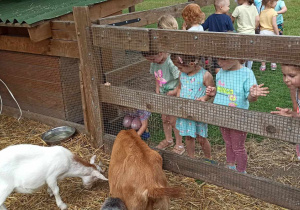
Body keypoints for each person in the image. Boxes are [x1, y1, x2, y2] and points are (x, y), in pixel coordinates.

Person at [206, 59, 269, 173]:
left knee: (238, 147)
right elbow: (222, 90)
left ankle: (241, 172)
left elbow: (250, 98)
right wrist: (214, 92)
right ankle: (230, 165)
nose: (219, 62)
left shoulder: (247, 73)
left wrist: (253, 95)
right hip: (222, 116)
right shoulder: (220, 72)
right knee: (228, 143)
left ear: (236, 57)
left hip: (238, 118)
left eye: (223, 59)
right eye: (217, 59)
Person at [170, 53, 215, 159]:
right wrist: (178, 98)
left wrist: (205, 98)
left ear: (191, 64)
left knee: (201, 138)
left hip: (198, 112)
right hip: (185, 112)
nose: (179, 70)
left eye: (180, 67)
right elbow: (180, 88)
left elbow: (212, 91)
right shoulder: (182, 75)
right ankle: (191, 158)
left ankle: (208, 158)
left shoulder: (205, 75)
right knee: (188, 137)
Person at [271, 64, 300, 161]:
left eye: (291, 76)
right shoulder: (294, 90)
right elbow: (297, 112)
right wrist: (291, 114)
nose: (286, 79)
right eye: (284, 75)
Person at [201, 0, 234, 74]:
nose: (229, 8)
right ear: (221, 7)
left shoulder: (210, 17)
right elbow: (231, 31)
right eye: (228, 6)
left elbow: (203, 27)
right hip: (224, 45)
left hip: (212, 45)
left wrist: (202, 21)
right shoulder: (227, 18)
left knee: (216, 62)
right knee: (222, 60)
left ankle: (216, 74)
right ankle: (223, 76)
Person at [231, 0, 259, 70]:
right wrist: (253, 28)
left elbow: (232, 19)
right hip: (251, 34)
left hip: (241, 34)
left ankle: (242, 68)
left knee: (242, 52)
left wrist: (233, 28)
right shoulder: (253, 7)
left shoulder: (238, 8)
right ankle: (249, 68)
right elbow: (258, 20)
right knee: (250, 52)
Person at [259, 0, 279, 71]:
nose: (276, 3)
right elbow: (274, 24)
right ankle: (273, 63)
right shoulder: (273, 12)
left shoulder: (261, 12)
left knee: (263, 49)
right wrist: (277, 34)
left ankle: (263, 66)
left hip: (262, 32)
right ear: (270, 3)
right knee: (272, 49)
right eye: (275, 2)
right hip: (271, 33)